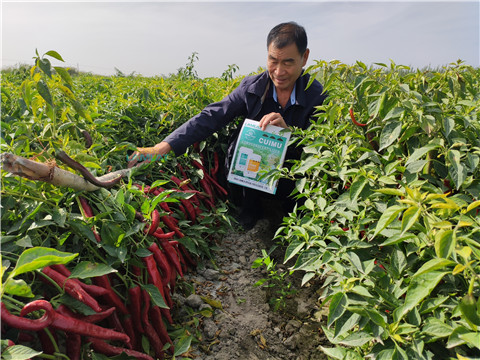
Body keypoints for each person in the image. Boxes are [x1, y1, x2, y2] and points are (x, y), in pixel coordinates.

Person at [132, 21, 327, 229]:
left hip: (293, 173)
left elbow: (321, 150)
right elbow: (211, 116)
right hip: (255, 172)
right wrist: (162, 147)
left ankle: (292, 210)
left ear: (304, 58)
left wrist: (290, 136)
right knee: (243, 145)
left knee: (297, 200)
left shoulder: (317, 97)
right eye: (273, 60)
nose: (279, 71)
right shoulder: (253, 88)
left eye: (288, 62)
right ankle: (251, 206)